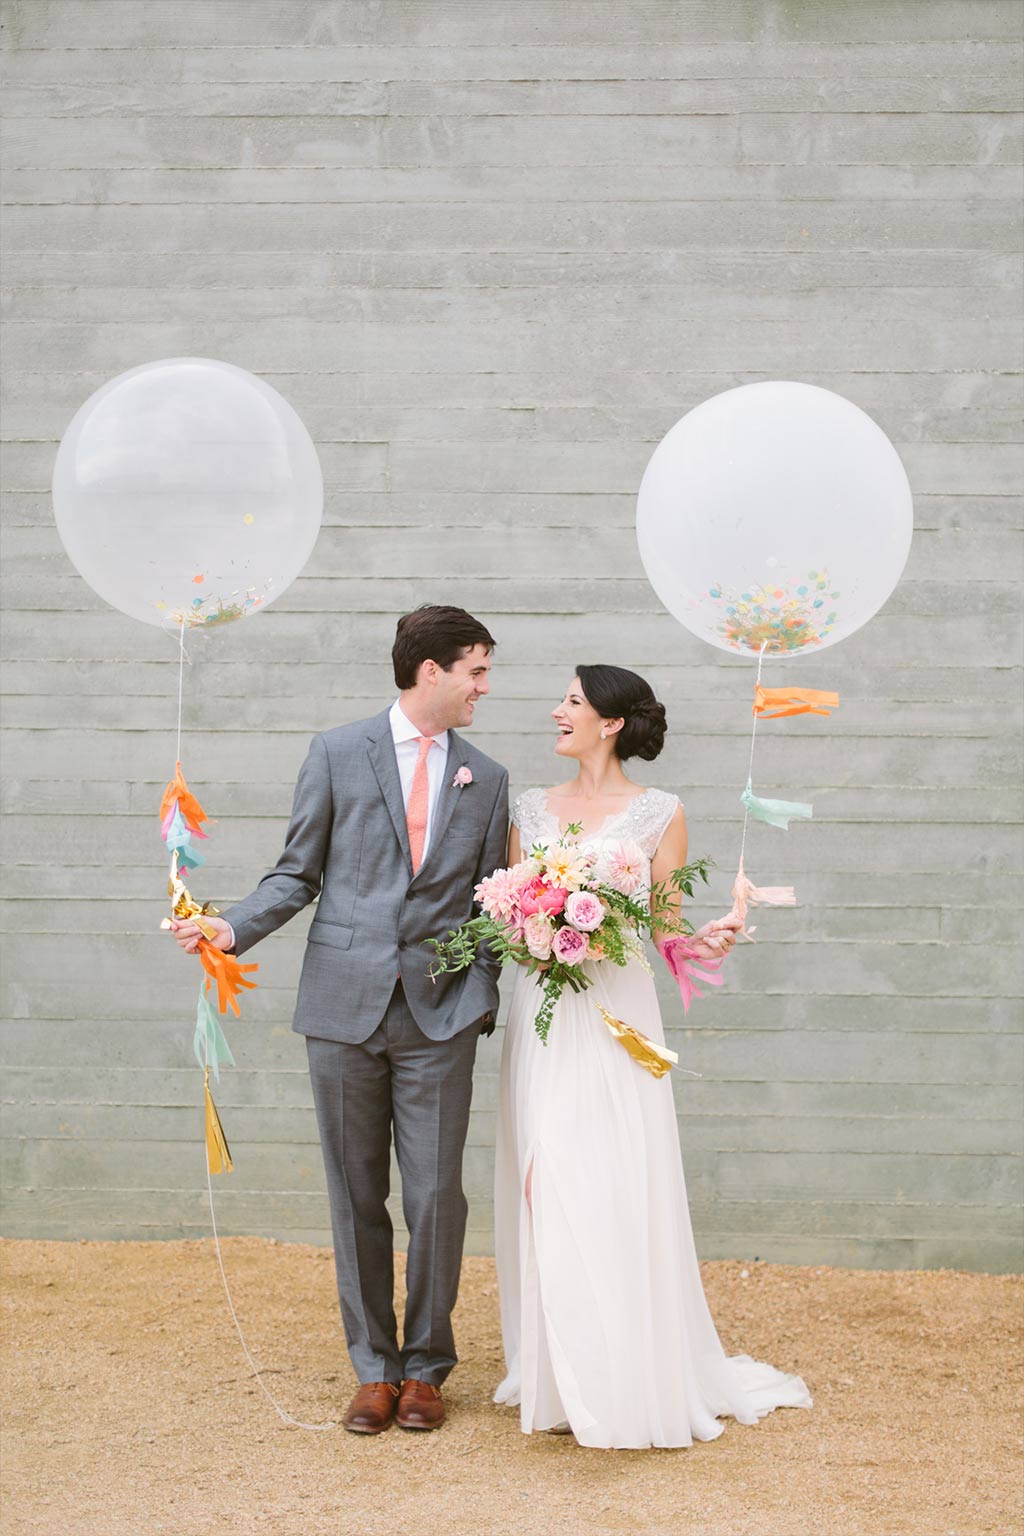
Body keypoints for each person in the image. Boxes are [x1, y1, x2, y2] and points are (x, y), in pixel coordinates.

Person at [169, 606, 509, 1435]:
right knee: (355, 1192)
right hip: (341, 1007)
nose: (484, 687)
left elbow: (491, 901)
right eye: (476, 670)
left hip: (441, 1014)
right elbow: (297, 872)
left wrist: (483, 991)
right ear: (430, 671)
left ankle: (427, 1369)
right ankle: (374, 1369)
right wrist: (231, 926)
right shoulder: (335, 752)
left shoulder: (488, 778)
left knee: (436, 1198)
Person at [493, 664, 812, 1449]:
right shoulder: (529, 809)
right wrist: (532, 926)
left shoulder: (659, 813)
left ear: (609, 723)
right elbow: (506, 910)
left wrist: (708, 938)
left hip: (617, 1012)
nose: (555, 711)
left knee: (612, 1174)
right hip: (542, 1009)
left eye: (570, 700)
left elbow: (666, 928)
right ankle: (563, 1374)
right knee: (546, 1175)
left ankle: (628, 1373)